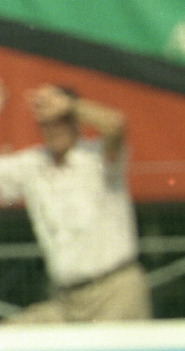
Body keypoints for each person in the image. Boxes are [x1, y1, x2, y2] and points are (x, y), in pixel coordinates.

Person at [0, 81, 152, 323]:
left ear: (75, 122)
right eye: (47, 123)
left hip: (115, 292)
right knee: (11, 338)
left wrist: (69, 105)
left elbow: (115, 125)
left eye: (62, 121)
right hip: (66, 301)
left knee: (114, 349)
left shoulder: (97, 157)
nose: (55, 129)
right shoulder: (32, 165)